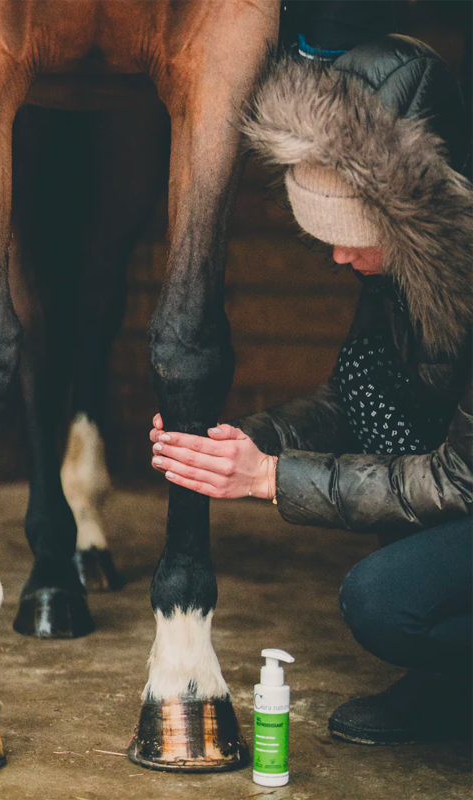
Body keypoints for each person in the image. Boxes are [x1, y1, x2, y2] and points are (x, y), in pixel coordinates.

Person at [150, 35, 473, 746]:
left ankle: (457, 687)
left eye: (355, 233)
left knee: (381, 602)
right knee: (386, 412)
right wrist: (247, 440)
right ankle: (447, 684)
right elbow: (355, 401)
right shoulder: (405, 272)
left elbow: (459, 480)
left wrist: (270, 479)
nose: (336, 254)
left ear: (414, 212)